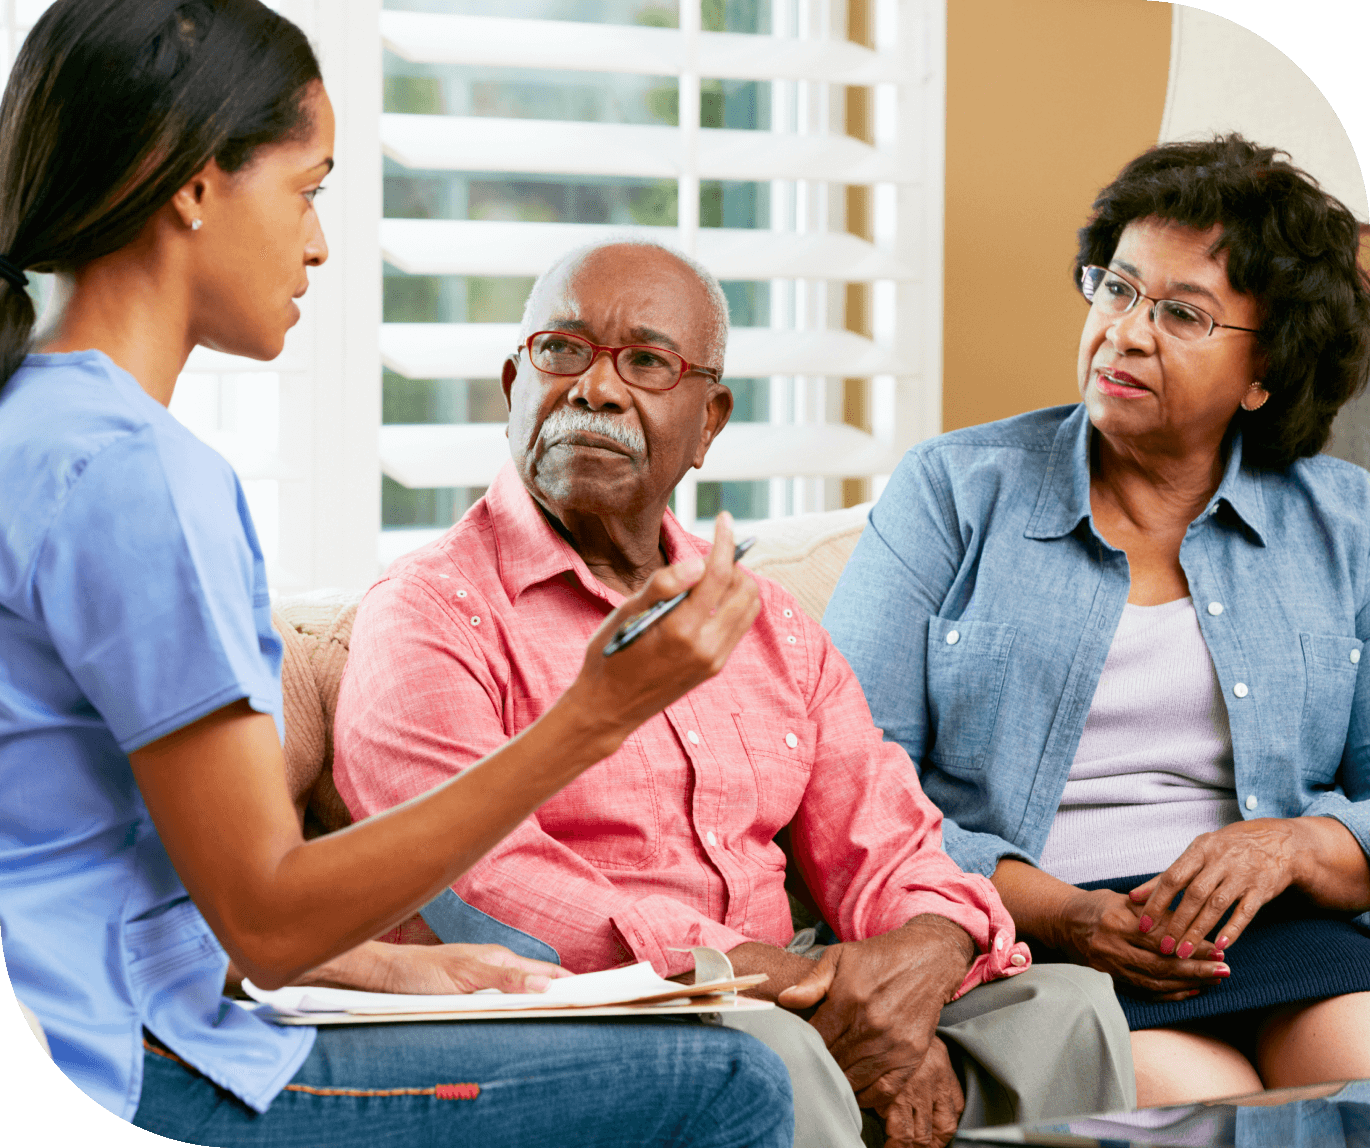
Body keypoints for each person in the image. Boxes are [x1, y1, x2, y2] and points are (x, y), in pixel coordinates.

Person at [0, 3, 796, 1144]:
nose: (319, 243)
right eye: (308, 188)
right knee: (729, 1082)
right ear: (188, 183)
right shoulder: (134, 477)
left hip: (113, 1003)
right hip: (129, 1058)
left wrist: (383, 964)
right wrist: (594, 714)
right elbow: (266, 912)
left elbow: (145, 871)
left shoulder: (33, 421)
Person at [332, 237, 1136, 1148]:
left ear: (709, 420)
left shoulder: (769, 623)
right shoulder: (433, 612)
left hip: (779, 984)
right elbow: (477, 880)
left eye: (646, 361)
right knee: (769, 1055)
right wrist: (753, 979)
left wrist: (924, 953)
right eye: (562, 350)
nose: (595, 389)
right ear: (512, 386)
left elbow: (886, 833)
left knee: (1063, 1008)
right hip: (579, 1005)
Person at [823, 134, 1370, 1108]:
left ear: (1265, 373)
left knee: (1357, 1069)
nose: (1122, 331)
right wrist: (1063, 910)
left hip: (1278, 932)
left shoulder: (1346, 524)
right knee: (1193, 1098)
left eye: (1179, 314)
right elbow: (852, 786)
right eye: (1114, 289)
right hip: (1028, 934)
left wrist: (1293, 843)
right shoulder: (951, 492)